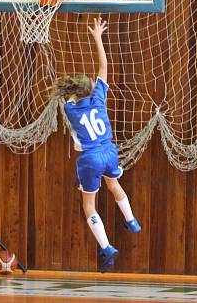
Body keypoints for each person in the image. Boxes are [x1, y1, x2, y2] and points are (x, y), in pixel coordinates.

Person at [50, 17, 141, 272]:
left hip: (90, 157)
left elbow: (69, 97)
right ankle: (131, 220)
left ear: (73, 93)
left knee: (88, 204)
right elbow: (103, 65)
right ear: (92, 88)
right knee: (114, 184)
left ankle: (106, 246)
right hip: (109, 150)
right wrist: (98, 38)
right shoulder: (99, 97)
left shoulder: (69, 108)